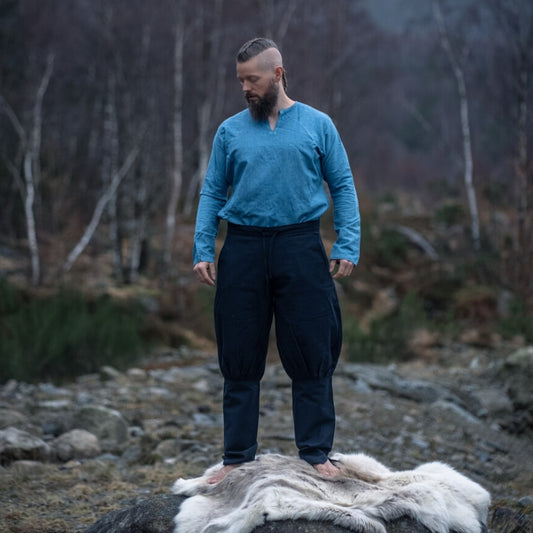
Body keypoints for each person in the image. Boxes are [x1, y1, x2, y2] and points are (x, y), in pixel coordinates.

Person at [193, 37, 360, 484]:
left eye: (253, 79)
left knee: (312, 349)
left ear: (278, 74)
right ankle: (236, 458)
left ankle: (316, 453)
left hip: (300, 246)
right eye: (241, 81)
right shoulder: (230, 131)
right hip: (243, 248)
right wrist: (202, 248)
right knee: (239, 353)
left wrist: (347, 243)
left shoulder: (317, 124)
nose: (245, 88)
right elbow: (212, 191)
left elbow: (342, 185)